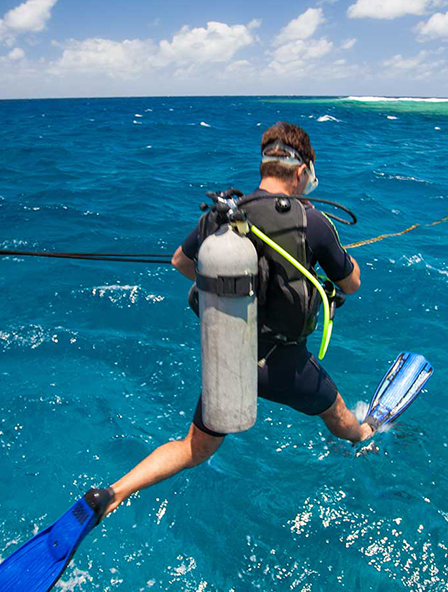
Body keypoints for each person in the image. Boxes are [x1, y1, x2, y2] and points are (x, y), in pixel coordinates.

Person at [102, 122, 370, 518]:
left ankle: (112, 494)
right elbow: (352, 283)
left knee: (194, 448)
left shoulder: (224, 215)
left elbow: (180, 262)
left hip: (229, 356)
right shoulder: (312, 222)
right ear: (302, 171)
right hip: (284, 364)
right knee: (341, 416)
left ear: (264, 165)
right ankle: (366, 438)